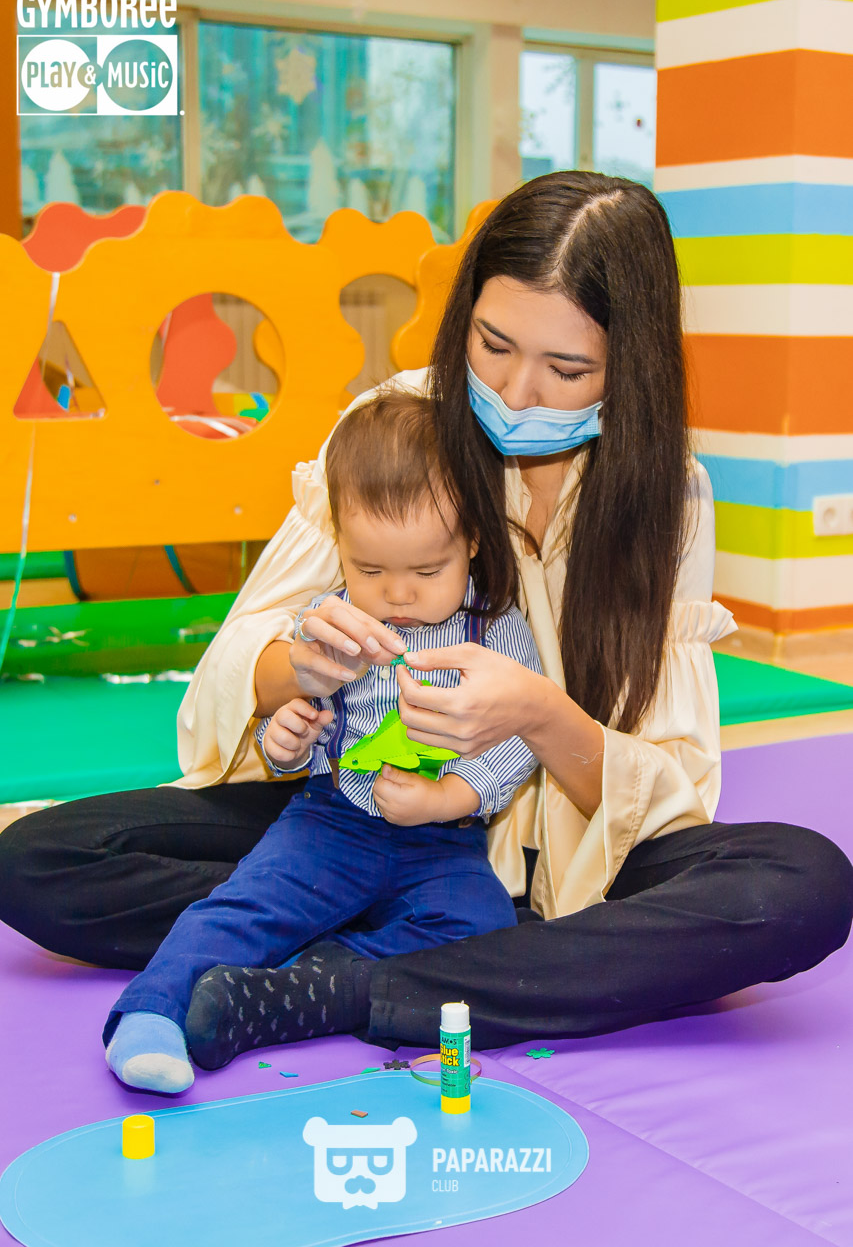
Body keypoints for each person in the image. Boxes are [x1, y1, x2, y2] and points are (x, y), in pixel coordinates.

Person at [1, 172, 851, 1053]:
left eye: (566, 370)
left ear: (628, 368)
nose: (516, 393)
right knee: (41, 861)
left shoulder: (667, 495)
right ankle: (476, 961)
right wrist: (300, 667)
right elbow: (246, 656)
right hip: (354, 817)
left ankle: (341, 984)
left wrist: (537, 713)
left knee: (800, 885)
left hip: (578, 857)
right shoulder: (394, 424)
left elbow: (674, 794)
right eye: (493, 345)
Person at [102, 391, 541, 1092]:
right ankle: (152, 1012)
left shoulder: (498, 631)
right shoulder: (330, 622)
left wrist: (451, 797)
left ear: (472, 542)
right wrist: (287, 739)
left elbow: (521, 736)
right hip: (331, 823)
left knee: (484, 932)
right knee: (248, 904)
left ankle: (312, 975)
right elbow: (300, 736)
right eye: (369, 570)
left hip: (444, 841)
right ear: (340, 544)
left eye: (426, 571)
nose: (397, 594)